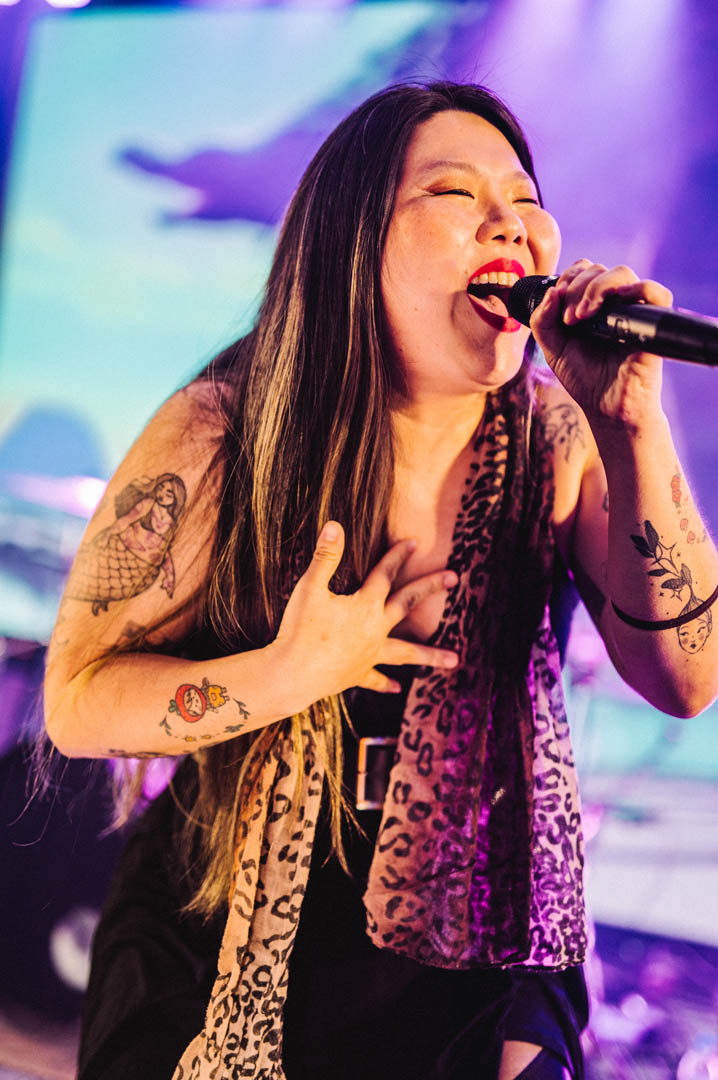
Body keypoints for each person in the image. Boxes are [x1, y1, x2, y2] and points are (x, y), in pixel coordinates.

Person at [43, 81, 718, 1080]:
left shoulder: (560, 440)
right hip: (225, 918)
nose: (511, 223)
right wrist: (284, 674)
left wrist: (632, 425)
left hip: (488, 912)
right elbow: (77, 702)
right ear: (355, 243)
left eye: (525, 200)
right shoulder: (225, 429)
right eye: (455, 193)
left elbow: (686, 679)